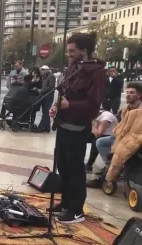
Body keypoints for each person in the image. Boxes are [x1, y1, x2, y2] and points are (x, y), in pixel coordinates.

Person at [48, 32, 105, 224]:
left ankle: (76, 209)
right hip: (63, 124)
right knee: (62, 165)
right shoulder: (72, 67)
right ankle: (65, 203)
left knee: (75, 169)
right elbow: (64, 92)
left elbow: (93, 105)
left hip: (78, 128)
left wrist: (70, 106)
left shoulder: (97, 73)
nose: (69, 54)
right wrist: (56, 106)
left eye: (72, 51)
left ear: (84, 50)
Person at [87, 83, 142, 187]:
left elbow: (136, 132)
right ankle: (111, 167)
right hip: (122, 137)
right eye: (127, 92)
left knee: (118, 150)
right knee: (100, 141)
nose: (128, 95)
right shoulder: (127, 109)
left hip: (134, 141)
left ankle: (106, 176)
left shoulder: (139, 111)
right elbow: (120, 125)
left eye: (132, 93)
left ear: (139, 95)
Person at [37, 65, 56, 133]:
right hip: (44, 96)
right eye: (41, 70)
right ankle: (47, 127)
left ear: (47, 70)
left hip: (48, 96)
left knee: (45, 113)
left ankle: (40, 127)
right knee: (45, 112)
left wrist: (42, 90)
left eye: (43, 70)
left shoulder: (51, 76)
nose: (42, 71)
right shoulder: (44, 77)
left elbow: (51, 87)